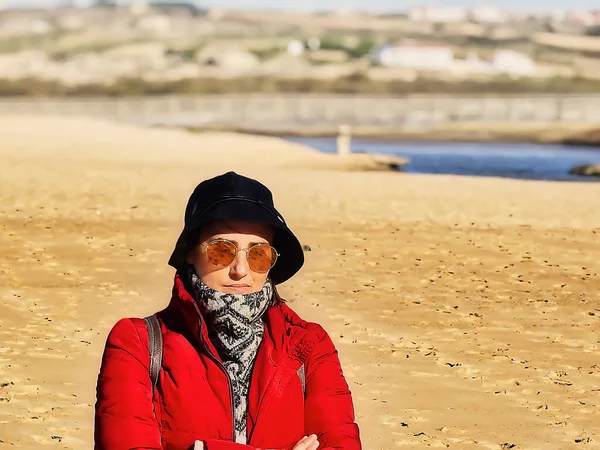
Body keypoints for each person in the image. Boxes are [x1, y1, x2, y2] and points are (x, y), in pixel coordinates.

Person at [94, 171, 362, 450]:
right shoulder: (137, 342)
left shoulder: (309, 345)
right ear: (190, 252)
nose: (240, 270)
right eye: (221, 251)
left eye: (258, 254)